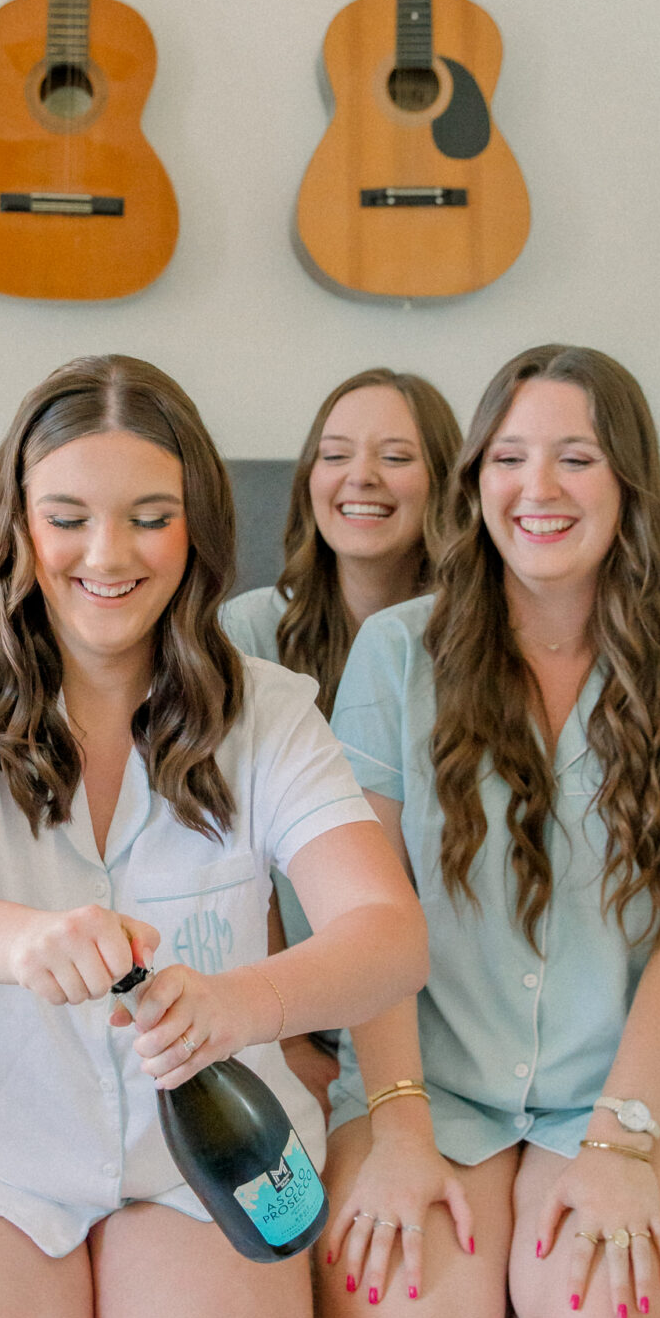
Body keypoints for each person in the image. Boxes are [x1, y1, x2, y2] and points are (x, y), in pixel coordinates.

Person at [0, 356, 426, 1318]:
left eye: (148, 518)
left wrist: (243, 1007)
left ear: (196, 533)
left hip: (204, 1165)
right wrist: (21, 942)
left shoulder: (268, 713)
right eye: (68, 517)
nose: (107, 555)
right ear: (18, 528)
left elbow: (387, 936)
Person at [314, 345, 660, 1318]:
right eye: (507, 458)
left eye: (573, 458)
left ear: (627, 482)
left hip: (635, 1090)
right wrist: (397, 1129)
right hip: (428, 1082)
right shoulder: (396, 653)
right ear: (475, 481)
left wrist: (620, 1144)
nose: (535, 489)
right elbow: (372, 916)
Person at [222, 370, 461, 1096]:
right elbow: (239, 862)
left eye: (396, 456)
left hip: (468, 1025)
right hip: (307, 1009)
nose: (362, 477)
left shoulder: (486, 648)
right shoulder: (248, 633)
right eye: (335, 454)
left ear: (446, 484)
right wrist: (287, 1038)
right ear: (308, 481)